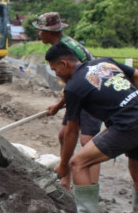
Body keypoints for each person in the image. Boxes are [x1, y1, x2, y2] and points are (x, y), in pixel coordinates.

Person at [45, 43, 138, 213]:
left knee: (78, 163)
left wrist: (63, 164)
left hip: (127, 126)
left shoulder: (73, 87)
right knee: (137, 172)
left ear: (64, 63)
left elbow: (71, 132)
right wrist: (128, 102)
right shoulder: (104, 62)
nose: (56, 74)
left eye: (55, 69)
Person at [35, 12, 102, 190]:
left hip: (92, 94)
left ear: (50, 32)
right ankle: (65, 180)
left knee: (88, 143)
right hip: (79, 93)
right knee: (63, 135)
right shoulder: (60, 47)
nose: (39, 34)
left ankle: (92, 187)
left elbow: (76, 84)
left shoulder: (68, 50)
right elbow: (72, 87)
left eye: (41, 31)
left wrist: (58, 106)